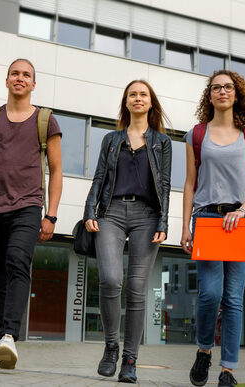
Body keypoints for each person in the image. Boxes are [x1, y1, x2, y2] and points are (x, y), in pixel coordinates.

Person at [0, 58, 63, 370]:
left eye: (26, 75)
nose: (20, 78)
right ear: (7, 81)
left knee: (17, 261)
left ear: (34, 84)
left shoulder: (46, 120)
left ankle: (8, 336)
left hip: (28, 206)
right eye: (15, 73)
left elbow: (57, 171)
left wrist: (52, 215)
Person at [180, 70, 245, 387]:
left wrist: (243, 210)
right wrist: (185, 226)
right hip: (205, 219)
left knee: (232, 299)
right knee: (210, 294)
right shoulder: (197, 134)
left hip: (242, 223)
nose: (222, 92)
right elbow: (190, 183)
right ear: (210, 95)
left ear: (236, 93)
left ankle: (227, 369)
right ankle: (204, 350)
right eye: (216, 87)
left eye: (228, 87)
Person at [83, 79, 171, 383]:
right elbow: (98, 178)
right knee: (110, 280)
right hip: (111, 212)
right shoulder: (111, 139)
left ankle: (130, 360)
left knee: (136, 289)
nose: (137, 98)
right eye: (132, 94)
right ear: (126, 102)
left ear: (150, 102)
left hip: (147, 216)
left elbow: (165, 185)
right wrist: (88, 211)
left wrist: (164, 221)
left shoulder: (162, 142)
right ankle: (110, 346)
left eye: (143, 94)